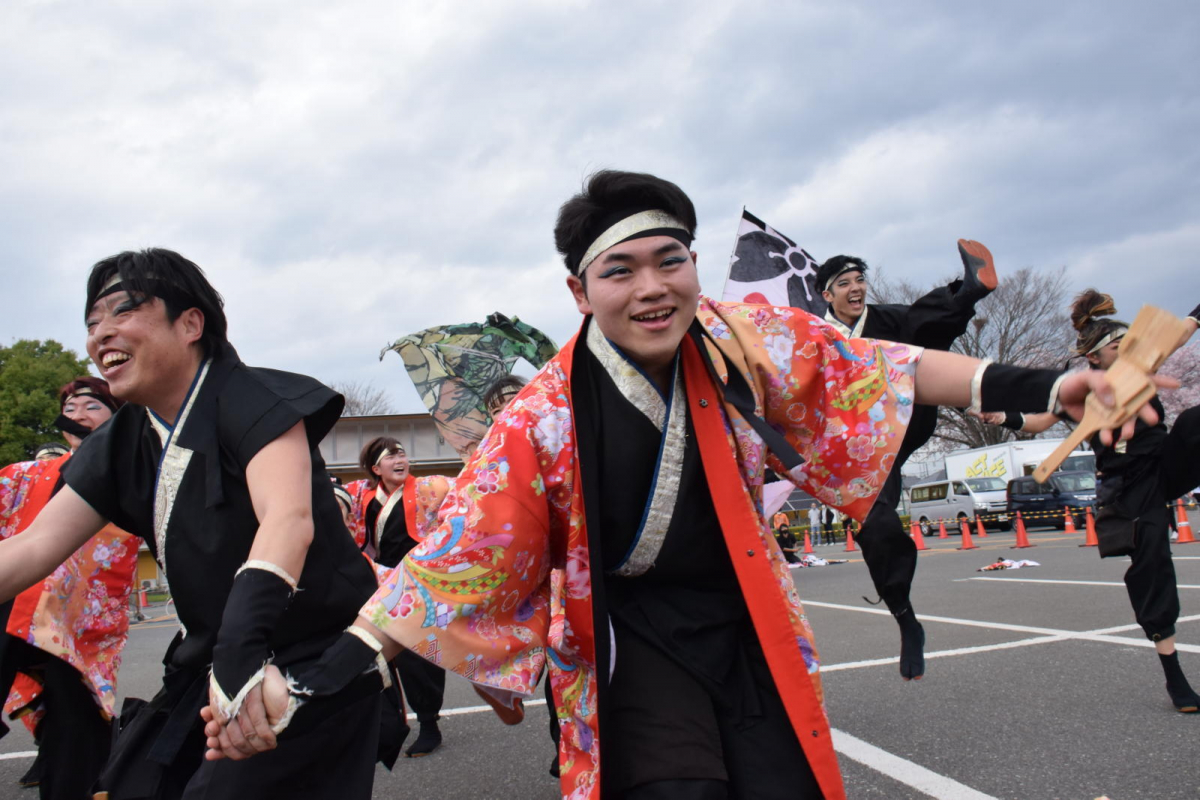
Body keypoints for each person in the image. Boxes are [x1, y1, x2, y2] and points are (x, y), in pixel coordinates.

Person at [207, 171, 1162, 799]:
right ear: (581, 293)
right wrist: (331, 670)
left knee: (783, 783)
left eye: (671, 260)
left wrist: (1046, 386)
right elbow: (464, 549)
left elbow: (878, 369)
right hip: (631, 633)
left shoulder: (742, 338)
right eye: (620, 271)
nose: (652, 286)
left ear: (697, 266)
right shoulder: (541, 414)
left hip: (746, 613)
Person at [0, 248, 384, 799]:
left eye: (121, 311)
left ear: (190, 323)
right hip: (210, 668)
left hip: (311, 661)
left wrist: (241, 654)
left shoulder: (255, 397)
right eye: (91, 323)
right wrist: (228, 662)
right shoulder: (124, 438)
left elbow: (288, 517)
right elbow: (35, 545)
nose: (100, 335)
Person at [992, 290, 1200, 712]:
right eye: (1115, 345)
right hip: (1130, 485)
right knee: (1152, 568)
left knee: (1195, 419)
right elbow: (1039, 421)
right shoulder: (1080, 394)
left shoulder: (1141, 368)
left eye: (1127, 342)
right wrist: (1005, 418)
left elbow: (1177, 336)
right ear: (1094, 358)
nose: (1125, 348)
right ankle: (1175, 679)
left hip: (1166, 463)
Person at [815, 247, 997, 679]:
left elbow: (926, 325)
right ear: (827, 295)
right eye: (844, 283)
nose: (856, 288)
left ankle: (970, 287)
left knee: (918, 324)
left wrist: (964, 297)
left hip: (902, 425)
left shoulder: (887, 319)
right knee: (876, 527)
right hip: (856, 446)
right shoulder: (817, 336)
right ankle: (905, 618)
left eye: (859, 279)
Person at [0, 377, 139, 799]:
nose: (77, 414)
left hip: (81, 624)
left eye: (91, 407)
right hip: (14, 604)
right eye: (71, 407)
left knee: (74, 728)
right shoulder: (25, 474)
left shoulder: (134, 472)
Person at [358, 436, 450, 757]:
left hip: (420, 583)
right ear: (376, 468)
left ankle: (429, 722)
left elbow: (461, 487)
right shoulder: (364, 496)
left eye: (402, 453)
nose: (400, 459)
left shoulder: (428, 488)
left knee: (421, 654)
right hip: (384, 584)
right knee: (387, 656)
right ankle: (404, 724)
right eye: (390, 456)